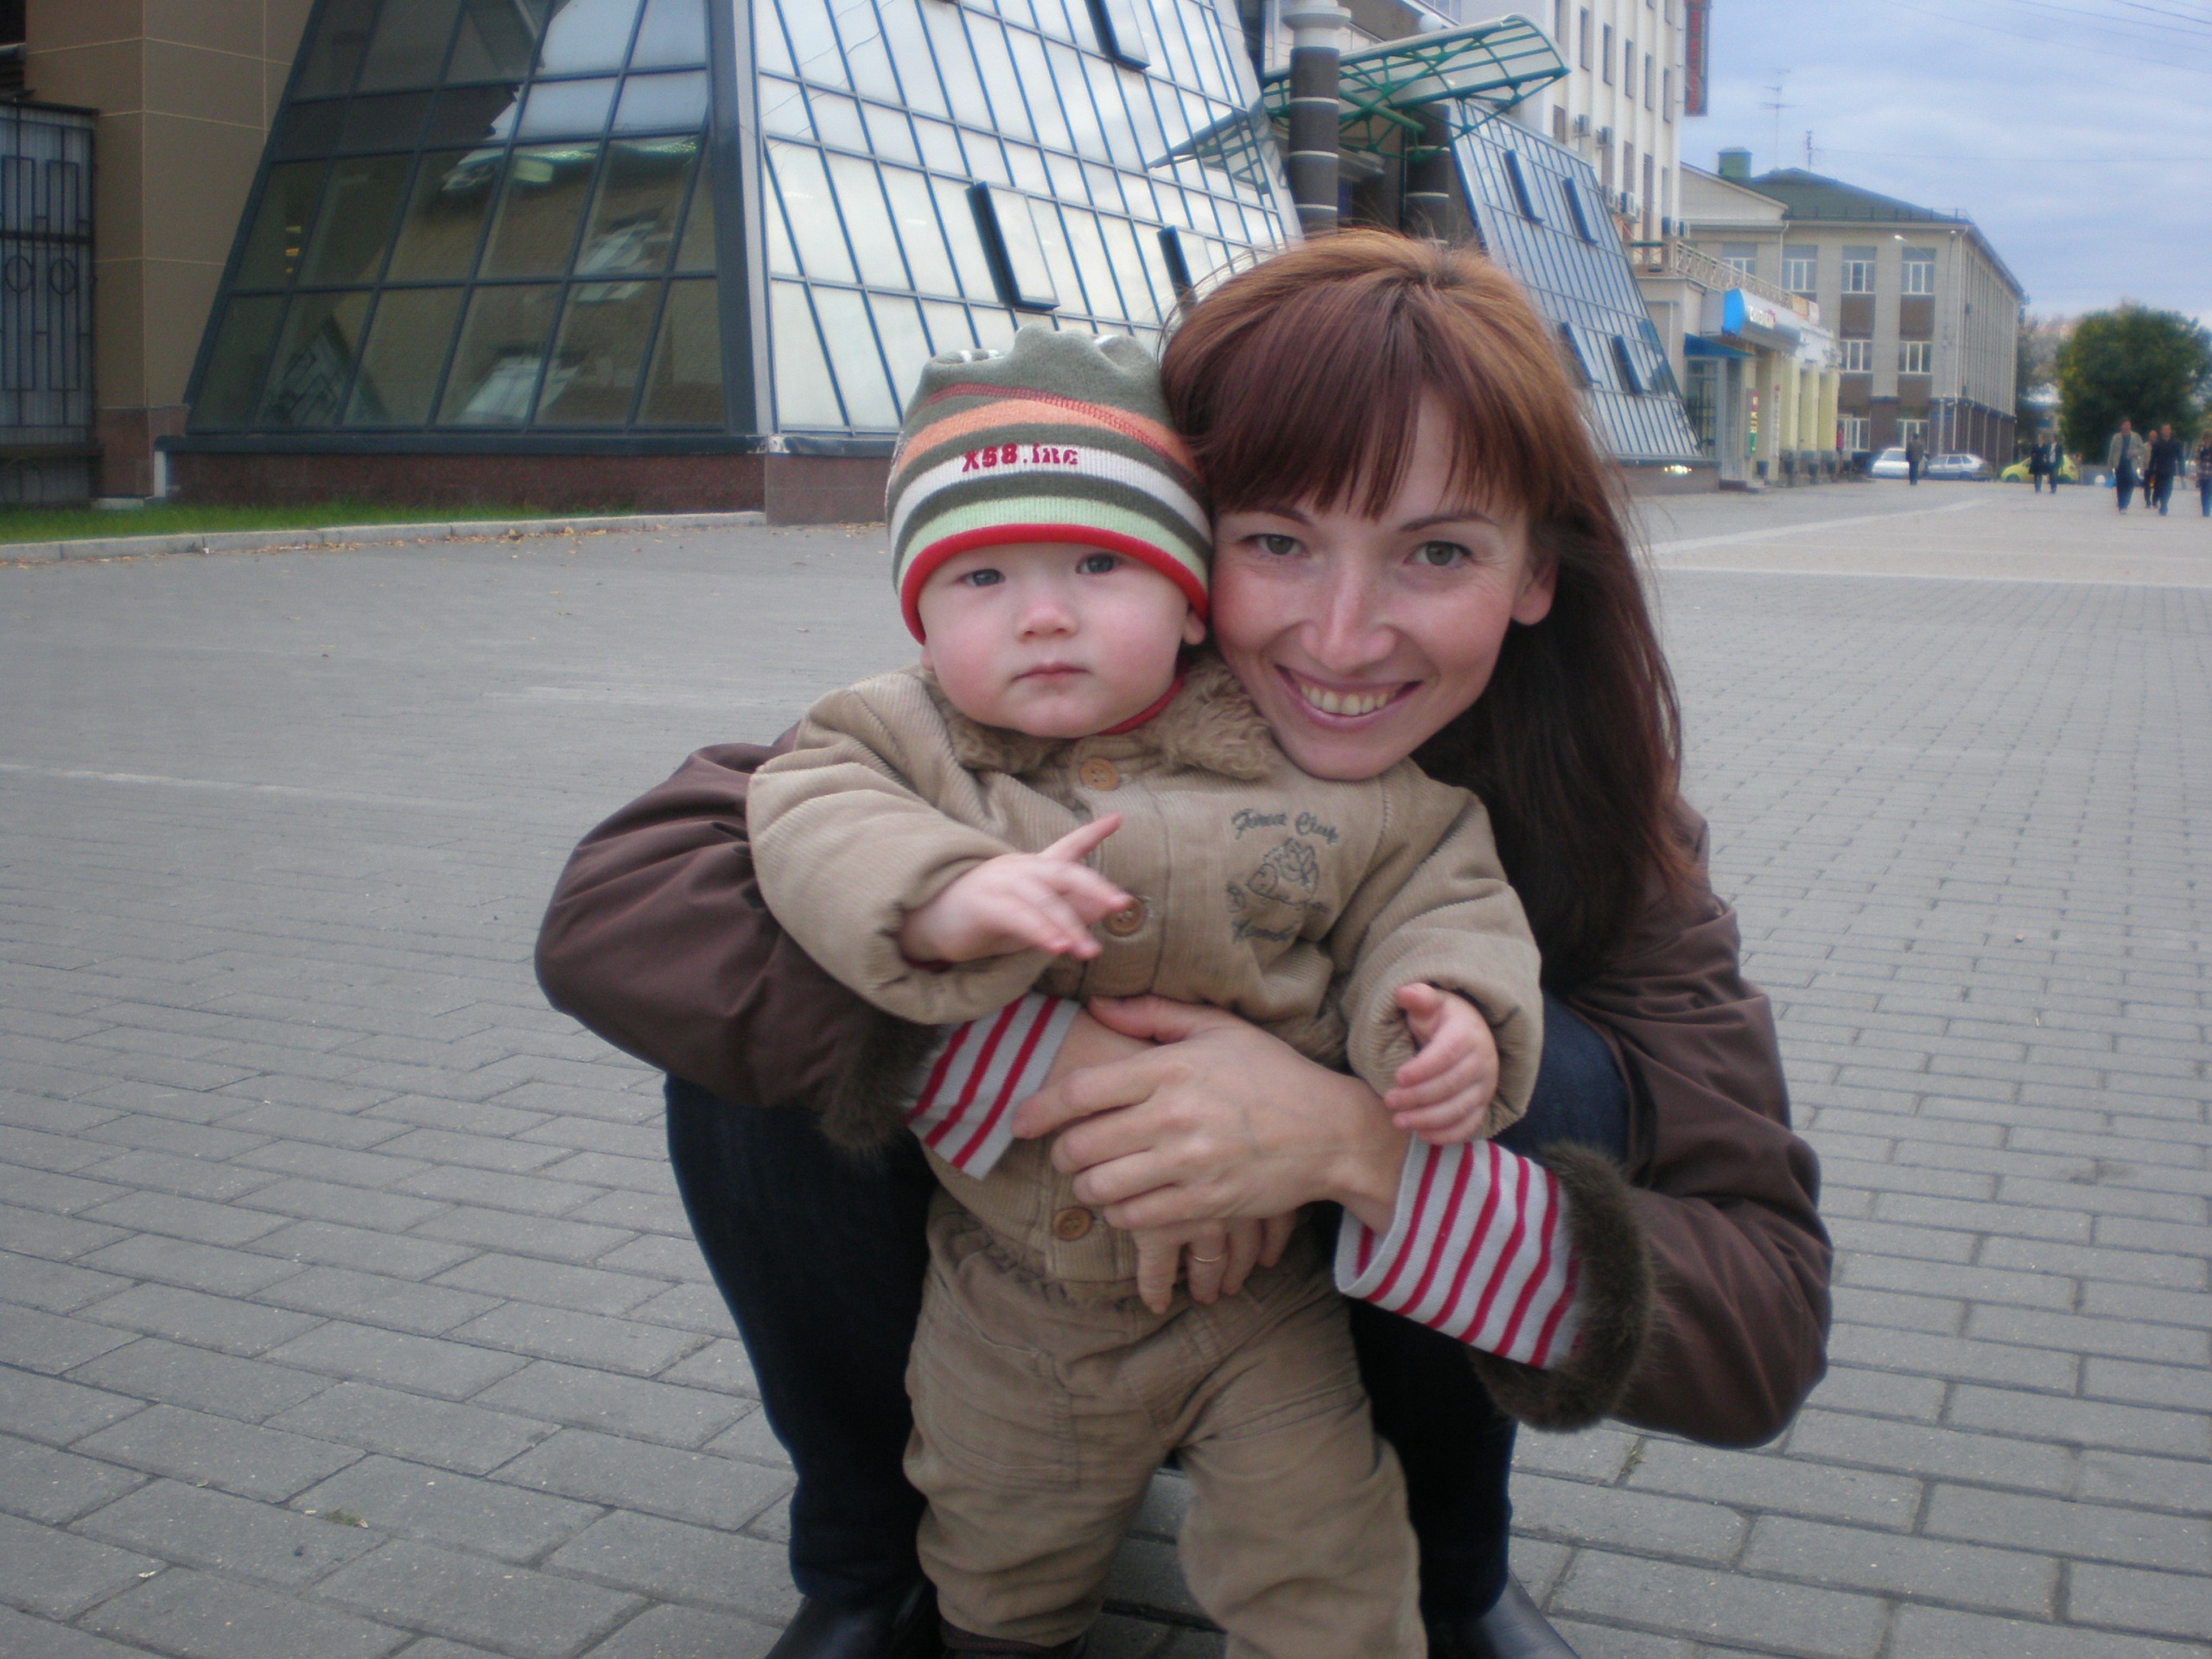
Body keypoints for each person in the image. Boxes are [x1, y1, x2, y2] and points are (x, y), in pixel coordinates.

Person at [537, 232, 1831, 1659]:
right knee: (774, 992)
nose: (1344, 637)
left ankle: (1443, 1576)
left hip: (1302, 1349)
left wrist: (1357, 1149)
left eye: (1438, 551)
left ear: (1535, 570)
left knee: (1547, 1076)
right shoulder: (1018, 709)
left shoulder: (1598, 832)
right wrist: (1051, 1070)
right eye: (1276, 540)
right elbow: (623, 902)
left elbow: (1763, 1319)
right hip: (1015, 1291)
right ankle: (874, 1561)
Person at [743, 326, 1545, 1657]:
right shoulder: (901, 739)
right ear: (920, 618)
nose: (1042, 614)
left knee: (1323, 1551)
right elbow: (808, 809)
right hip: (1015, 1295)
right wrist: (938, 897)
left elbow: (1437, 883)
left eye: (1099, 565)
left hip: (1264, 1301)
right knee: (1001, 1546)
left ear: (1190, 598)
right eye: (981, 576)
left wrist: (1448, 1010)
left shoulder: (1311, 759)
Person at [2145, 423, 2183, 516]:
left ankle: (2164, 503)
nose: (2166, 431)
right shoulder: (2157, 444)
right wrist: (2151, 469)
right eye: (2164, 430)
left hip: (2170, 470)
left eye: (2168, 430)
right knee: (2159, 488)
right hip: (2159, 470)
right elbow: (2153, 458)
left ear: (2170, 431)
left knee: (2169, 488)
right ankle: (2162, 503)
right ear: (2161, 431)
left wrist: (2182, 470)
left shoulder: (2176, 443)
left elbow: (2180, 458)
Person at [2107, 418, 2144, 512]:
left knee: (2130, 484)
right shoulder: (2116, 437)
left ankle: (2126, 502)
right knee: (2120, 485)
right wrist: (2110, 466)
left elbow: (2142, 449)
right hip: (2119, 464)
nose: (2127, 427)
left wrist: (2133, 452)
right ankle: (2121, 505)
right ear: (2121, 426)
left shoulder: (2136, 437)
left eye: (2129, 425)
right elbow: (2111, 452)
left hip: (2131, 465)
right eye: (2125, 425)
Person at [2197, 432, 2212, 518]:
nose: (2208, 440)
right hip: (2202, 473)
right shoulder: (2200, 447)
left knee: (2209, 491)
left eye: (2210, 439)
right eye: (2207, 438)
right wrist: (2204, 451)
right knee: (2203, 492)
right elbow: (2198, 458)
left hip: (2210, 473)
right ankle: (2204, 509)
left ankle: (2208, 509)